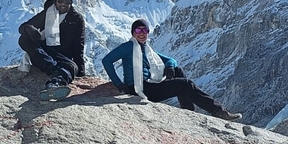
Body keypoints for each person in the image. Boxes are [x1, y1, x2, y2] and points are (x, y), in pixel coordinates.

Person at [102, 19, 242, 120]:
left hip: (149, 85)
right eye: (138, 30)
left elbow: (171, 60)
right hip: (140, 88)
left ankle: (188, 110)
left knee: (177, 70)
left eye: (145, 30)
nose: (142, 33)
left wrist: (169, 66)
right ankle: (218, 112)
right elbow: (107, 60)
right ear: (133, 33)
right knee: (185, 84)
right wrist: (118, 84)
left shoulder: (147, 49)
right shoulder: (128, 47)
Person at [18, 0, 86, 94]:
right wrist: (29, 29)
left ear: (71, 3)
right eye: (60, 0)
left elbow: (79, 45)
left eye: (67, 1)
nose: (63, 4)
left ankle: (54, 84)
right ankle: (54, 69)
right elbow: (23, 27)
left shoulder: (76, 19)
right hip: (44, 52)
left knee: (72, 67)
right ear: (55, 0)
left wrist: (81, 73)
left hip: (62, 56)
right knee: (24, 39)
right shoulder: (47, 13)